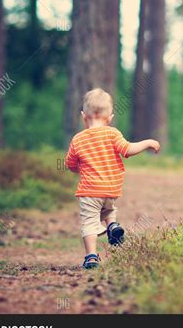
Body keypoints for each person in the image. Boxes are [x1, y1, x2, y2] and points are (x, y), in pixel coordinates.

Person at [65, 88, 160, 269]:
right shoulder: (113, 134)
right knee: (108, 209)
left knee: (89, 223)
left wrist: (81, 169)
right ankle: (113, 226)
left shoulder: (77, 139)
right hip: (111, 190)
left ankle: (91, 256)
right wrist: (148, 143)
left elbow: (70, 164)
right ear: (110, 118)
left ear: (83, 116)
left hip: (90, 191)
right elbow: (128, 150)